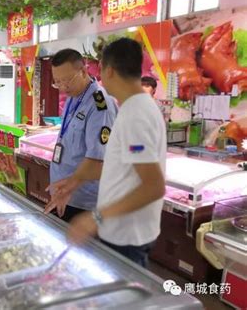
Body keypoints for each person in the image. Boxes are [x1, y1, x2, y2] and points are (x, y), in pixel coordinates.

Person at [68, 38, 166, 268]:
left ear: (109, 70)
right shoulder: (133, 108)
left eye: (100, 69)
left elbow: (153, 186)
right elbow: (122, 167)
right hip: (123, 232)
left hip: (127, 238)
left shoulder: (136, 115)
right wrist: (75, 180)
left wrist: (95, 217)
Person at [43, 49, 117, 222]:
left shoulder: (100, 104)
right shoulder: (73, 97)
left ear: (84, 71)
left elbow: (98, 160)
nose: (63, 87)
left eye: (67, 80)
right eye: (57, 82)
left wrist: (69, 186)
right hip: (65, 195)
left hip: (84, 203)